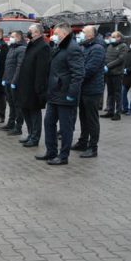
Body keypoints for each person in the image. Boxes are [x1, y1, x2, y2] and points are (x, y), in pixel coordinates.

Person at [36, 22, 84, 165]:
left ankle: (63, 157)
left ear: (64, 34)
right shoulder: (59, 47)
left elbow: (78, 74)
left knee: (65, 128)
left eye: (56, 34)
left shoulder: (73, 48)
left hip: (65, 95)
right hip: (54, 94)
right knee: (49, 122)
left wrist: (72, 94)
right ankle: (51, 152)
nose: (54, 36)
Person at [71, 26, 105, 158]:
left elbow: (90, 69)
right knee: (83, 117)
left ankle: (93, 147)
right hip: (83, 88)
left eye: (83, 32)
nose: (80, 34)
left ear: (90, 35)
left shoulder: (97, 48)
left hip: (92, 89)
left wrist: (76, 76)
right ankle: (83, 142)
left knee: (92, 119)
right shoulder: (84, 46)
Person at [17, 24, 50, 148]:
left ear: (37, 33)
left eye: (30, 31)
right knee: (25, 110)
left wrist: (39, 89)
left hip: (34, 87)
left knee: (34, 112)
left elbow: (42, 70)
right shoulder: (31, 45)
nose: (28, 33)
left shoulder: (43, 47)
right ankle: (31, 134)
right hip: (25, 85)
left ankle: (35, 137)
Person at [0, 30, 26, 136]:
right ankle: (10, 123)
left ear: (18, 38)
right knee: (10, 103)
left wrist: (14, 81)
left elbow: (19, 67)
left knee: (17, 105)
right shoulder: (12, 48)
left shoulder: (22, 49)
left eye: (12, 36)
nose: (10, 38)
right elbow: (7, 66)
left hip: (14, 82)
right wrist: (4, 78)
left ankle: (18, 126)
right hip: (7, 80)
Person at [101, 31, 127, 121]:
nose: (111, 38)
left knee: (117, 94)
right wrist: (104, 65)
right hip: (109, 74)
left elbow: (120, 59)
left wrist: (107, 66)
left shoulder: (123, 46)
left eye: (113, 36)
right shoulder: (110, 46)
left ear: (119, 37)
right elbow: (106, 57)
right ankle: (110, 111)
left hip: (117, 74)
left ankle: (118, 113)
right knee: (110, 93)